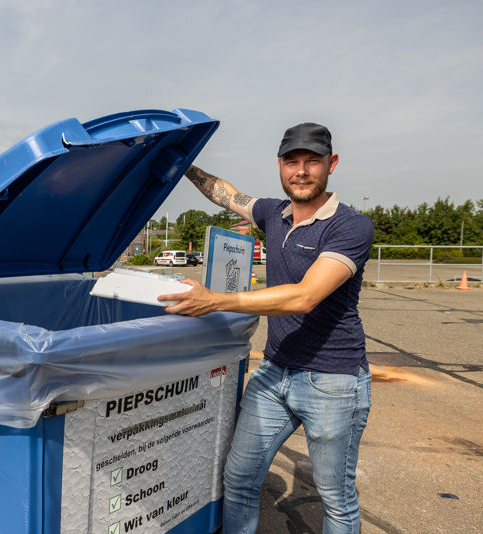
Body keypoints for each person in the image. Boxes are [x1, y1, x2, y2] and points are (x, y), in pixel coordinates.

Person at [159, 122, 373, 534]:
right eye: (292, 161)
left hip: (334, 380)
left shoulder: (350, 226)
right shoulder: (272, 213)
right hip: (275, 372)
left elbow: (304, 296)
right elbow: (225, 193)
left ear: (332, 164)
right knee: (239, 479)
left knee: (337, 500)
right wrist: (182, 163)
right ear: (280, 166)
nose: (302, 171)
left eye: (313, 161)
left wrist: (216, 300)